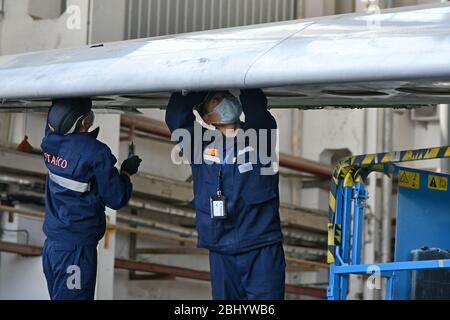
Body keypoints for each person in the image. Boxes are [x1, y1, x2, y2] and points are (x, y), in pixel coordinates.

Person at [165, 89, 285, 300]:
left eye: (226, 96)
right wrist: (198, 87)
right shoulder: (198, 144)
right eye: (214, 100)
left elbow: (257, 109)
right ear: (206, 117)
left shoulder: (259, 137)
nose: (223, 101)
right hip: (221, 248)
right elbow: (176, 116)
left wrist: (241, 77)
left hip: (260, 246)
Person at [41, 98, 141, 300]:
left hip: (52, 245)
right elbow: (116, 197)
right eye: (88, 116)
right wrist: (126, 173)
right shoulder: (96, 153)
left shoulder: (49, 142)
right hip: (75, 250)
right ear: (81, 122)